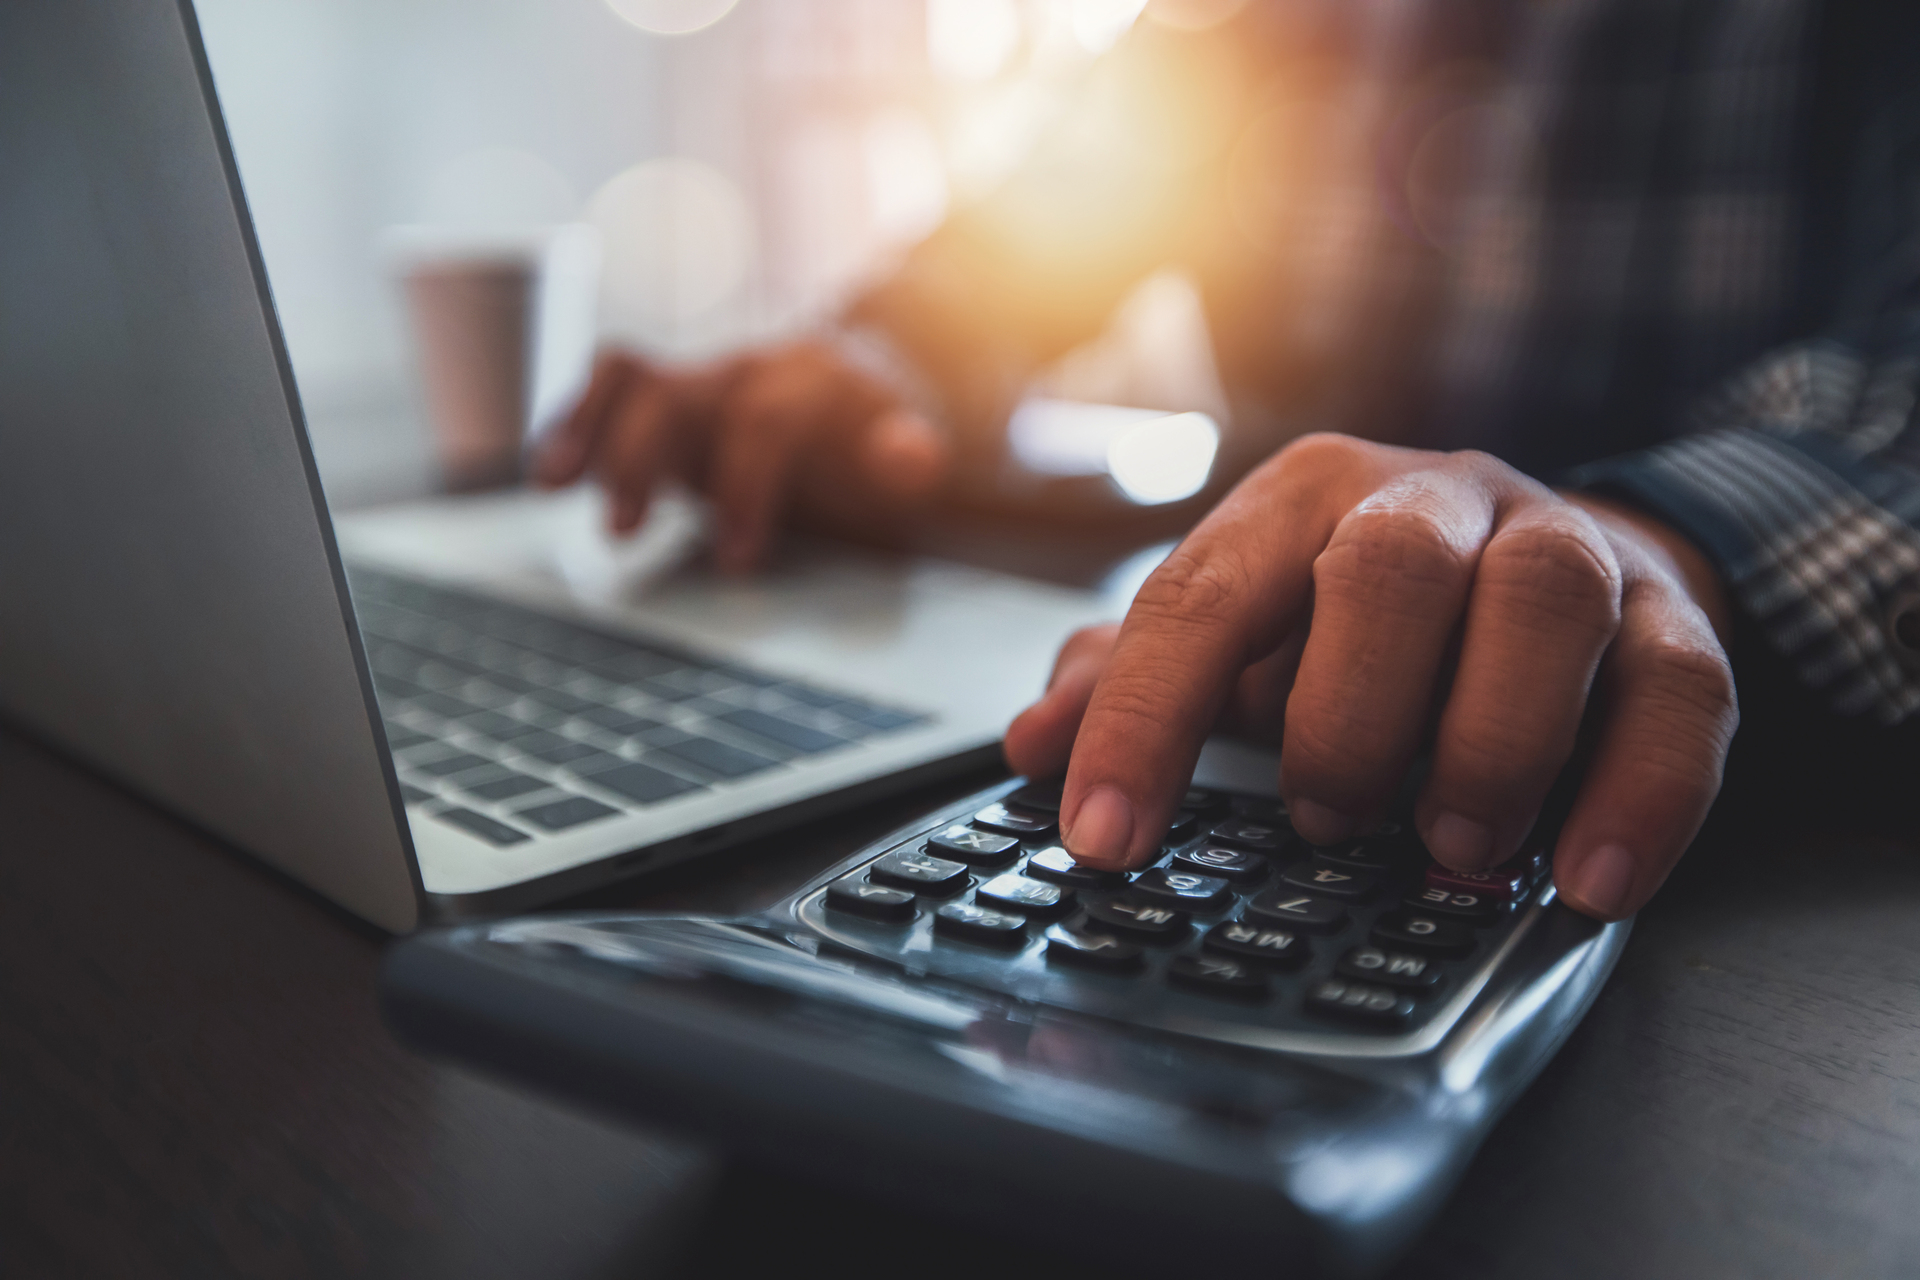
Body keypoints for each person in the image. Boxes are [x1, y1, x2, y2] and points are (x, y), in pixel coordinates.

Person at [537, 0, 1920, 922]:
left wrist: (1650, 549)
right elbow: (1011, 257)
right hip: (1253, 800)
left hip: (1737, 884)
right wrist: (864, 371)